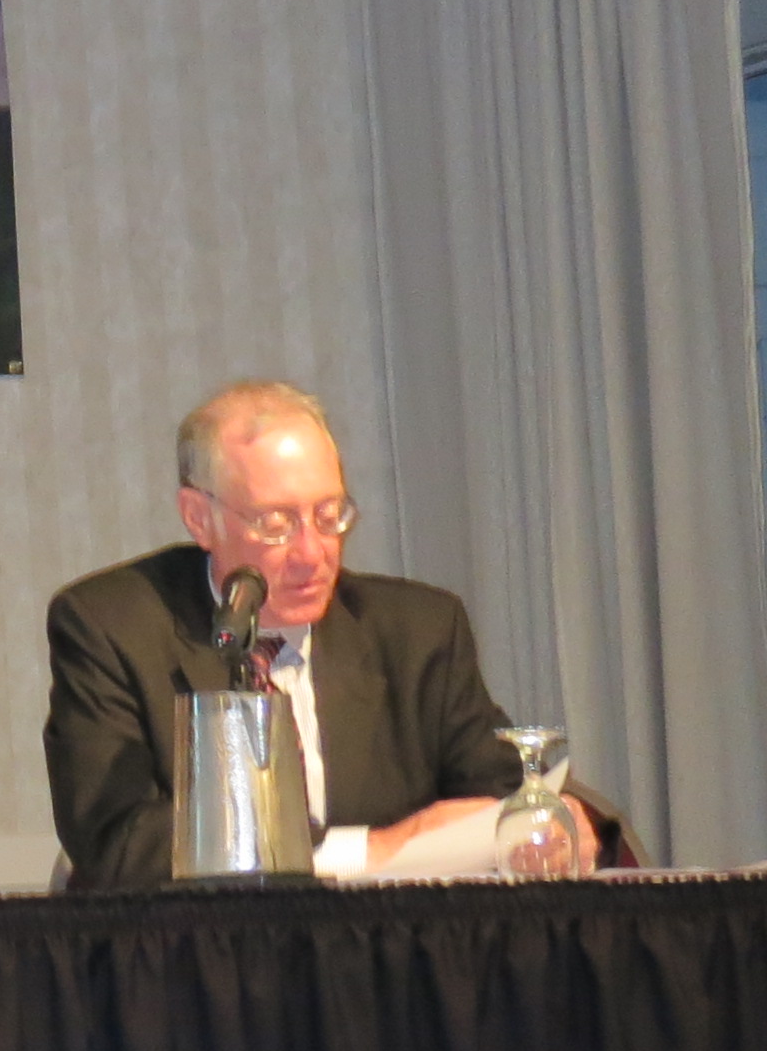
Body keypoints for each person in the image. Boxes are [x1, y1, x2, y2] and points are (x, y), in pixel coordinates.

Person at [45, 378, 604, 889]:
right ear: (199, 518)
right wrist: (364, 852)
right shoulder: (112, 627)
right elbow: (117, 841)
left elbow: (500, 794)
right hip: (191, 954)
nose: (313, 554)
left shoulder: (418, 631)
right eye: (276, 524)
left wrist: (550, 825)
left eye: (329, 514)